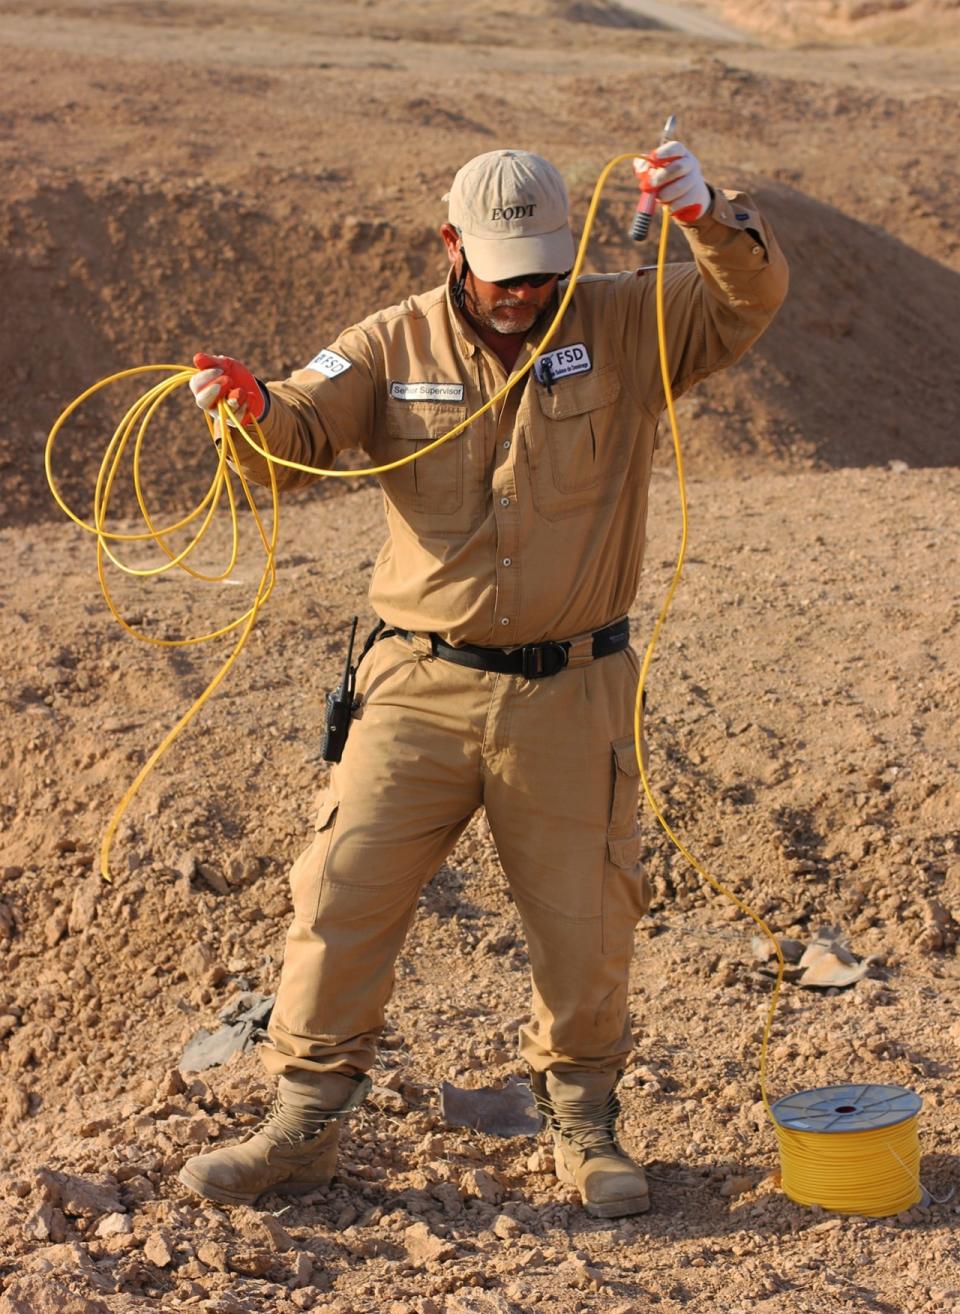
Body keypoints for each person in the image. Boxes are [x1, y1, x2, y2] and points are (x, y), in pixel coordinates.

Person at [179, 143, 788, 1218]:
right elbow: (296, 431)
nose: (524, 296)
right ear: (453, 247)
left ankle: (584, 1126)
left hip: (571, 690)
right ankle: (304, 1123)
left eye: (542, 272)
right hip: (417, 684)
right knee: (340, 893)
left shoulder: (625, 323)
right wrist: (248, 411)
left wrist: (705, 216)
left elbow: (747, 298)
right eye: (504, 272)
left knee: (587, 918)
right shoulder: (388, 340)